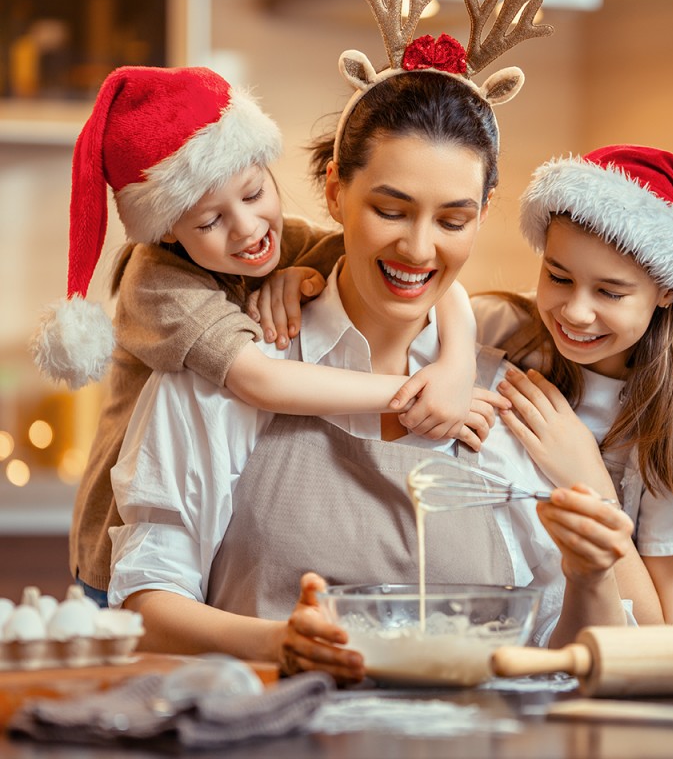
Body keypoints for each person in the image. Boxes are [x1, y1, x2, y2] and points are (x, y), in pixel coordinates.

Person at [106, 0, 639, 682]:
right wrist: (276, 642)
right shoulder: (220, 375)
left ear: (482, 217)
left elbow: (560, 665)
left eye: (452, 219)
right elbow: (142, 603)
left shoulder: (513, 404)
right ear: (334, 193)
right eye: (390, 210)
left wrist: (590, 575)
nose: (418, 249)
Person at [31, 65, 504, 606]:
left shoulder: (294, 242)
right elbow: (260, 381)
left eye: (255, 194)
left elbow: (424, 277)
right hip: (117, 549)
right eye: (209, 221)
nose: (248, 229)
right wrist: (418, 395)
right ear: (166, 229)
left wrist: (457, 365)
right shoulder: (158, 285)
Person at [473, 144, 673, 626]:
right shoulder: (496, 327)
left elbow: (660, 627)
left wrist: (587, 476)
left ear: (667, 291)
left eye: (610, 292)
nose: (575, 311)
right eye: (558, 276)